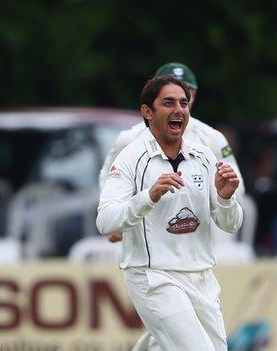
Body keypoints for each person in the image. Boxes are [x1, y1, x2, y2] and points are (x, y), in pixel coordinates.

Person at [96, 75, 242, 351]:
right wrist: (149, 196)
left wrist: (226, 198)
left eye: (184, 103)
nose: (179, 110)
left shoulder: (204, 156)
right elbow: (105, 222)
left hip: (201, 277)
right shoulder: (130, 158)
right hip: (154, 276)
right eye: (168, 103)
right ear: (147, 112)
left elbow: (231, 225)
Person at [99, 62, 245, 243]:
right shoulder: (130, 139)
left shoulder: (211, 139)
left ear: (193, 95)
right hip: (145, 241)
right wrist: (118, 222)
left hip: (199, 240)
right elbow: (108, 183)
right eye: (168, 100)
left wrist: (220, 201)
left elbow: (236, 188)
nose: (179, 100)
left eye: (186, 92)